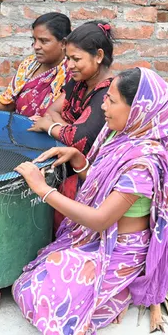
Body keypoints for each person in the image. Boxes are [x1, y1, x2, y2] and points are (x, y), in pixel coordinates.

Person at [12, 67, 168, 335]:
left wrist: (42, 189)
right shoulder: (121, 138)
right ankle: (114, 291)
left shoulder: (144, 162)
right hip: (99, 239)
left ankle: (126, 288)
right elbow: (105, 183)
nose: (103, 105)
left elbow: (101, 219)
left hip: (121, 249)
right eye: (106, 97)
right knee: (30, 281)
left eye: (112, 101)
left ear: (138, 110)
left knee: (46, 298)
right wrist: (80, 160)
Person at [28, 20, 115, 232]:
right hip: (70, 166)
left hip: (91, 180)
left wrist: (50, 128)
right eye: (68, 58)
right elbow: (51, 110)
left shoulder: (108, 92)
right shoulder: (79, 82)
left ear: (99, 56)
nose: (69, 65)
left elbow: (81, 141)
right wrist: (67, 128)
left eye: (76, 59)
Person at [0, 12, 71, 118]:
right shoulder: (29, 65)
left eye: (44, 41)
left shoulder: (72, 73)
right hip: (19, 134)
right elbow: (8, 103)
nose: (36, 46)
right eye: (34, 40)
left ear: (63, 43)